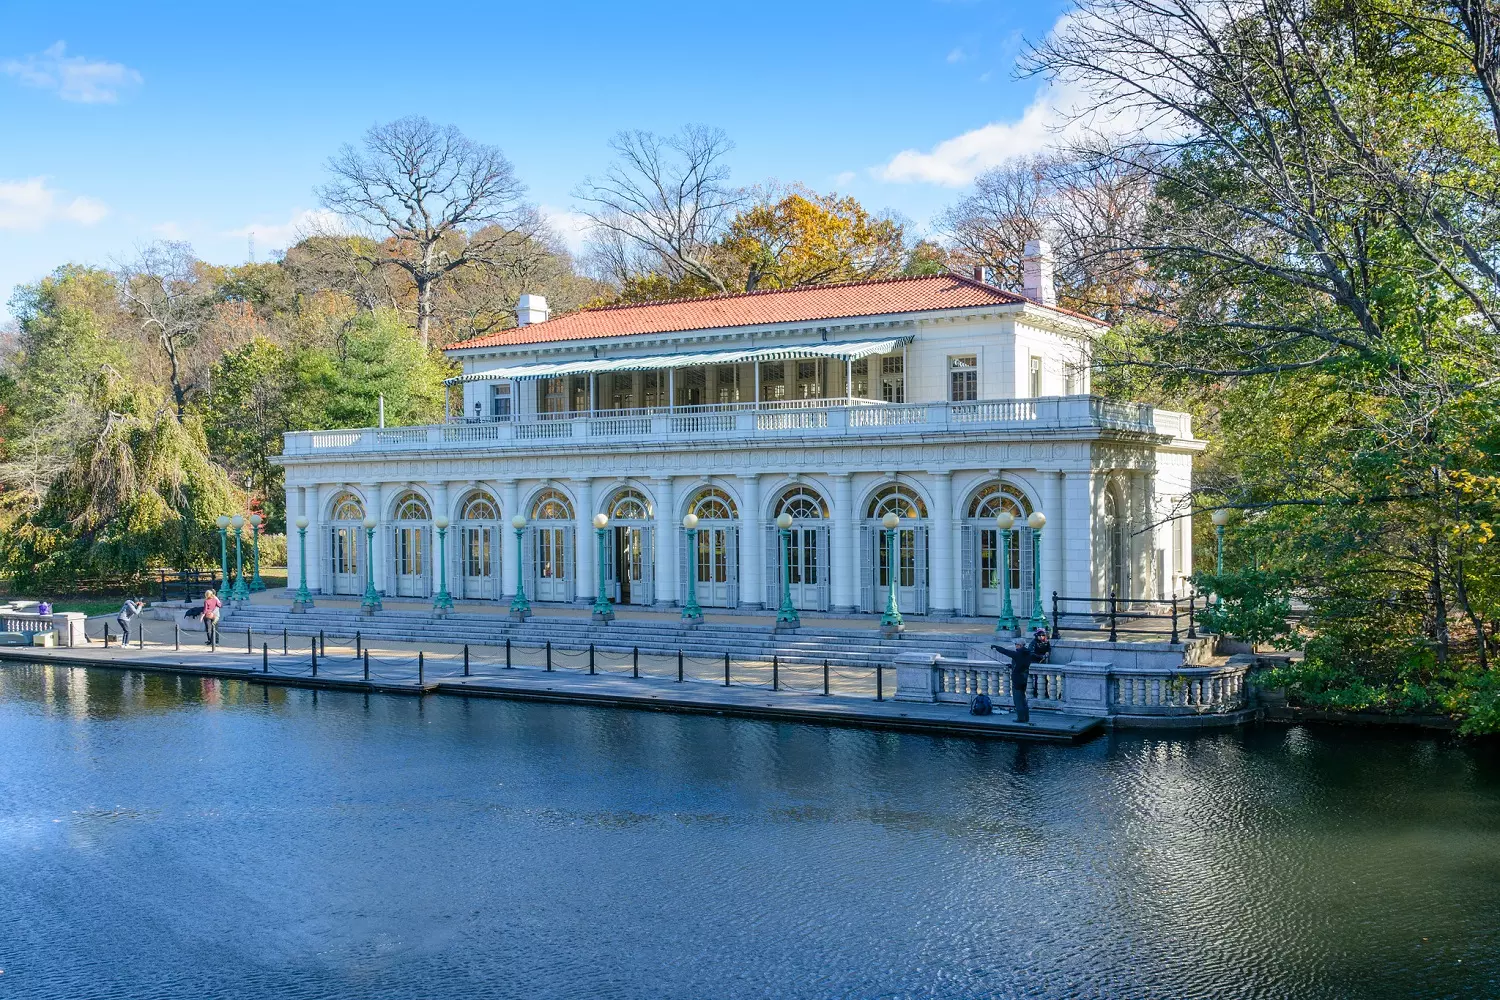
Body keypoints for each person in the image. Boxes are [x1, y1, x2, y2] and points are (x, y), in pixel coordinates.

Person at [990, 636, 1045, 724]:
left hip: (1017, 679)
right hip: (1024, 678)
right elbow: (1026, 663)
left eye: (1016, 644)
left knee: (1018, 699)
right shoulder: (1028, 653)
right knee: (1023, 698)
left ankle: (1020, 718)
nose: (1015, 646)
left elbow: (1005, 651)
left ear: (1020, 645)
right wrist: (1012, 666)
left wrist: (996, 647)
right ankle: (1026, 717)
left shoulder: (1018, 654)